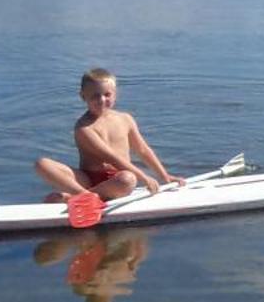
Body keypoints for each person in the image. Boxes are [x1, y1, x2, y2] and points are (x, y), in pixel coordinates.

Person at [34, 66, 178, 205]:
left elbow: (143, 150)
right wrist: (144, 177)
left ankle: (77, 197)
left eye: (107, 94)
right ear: (83, 96)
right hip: (88, 178)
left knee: (128, 179)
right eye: (95, 96)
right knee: (42, 163)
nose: (102, 100)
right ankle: (86, 195)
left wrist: (165, 176)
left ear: (115, 94)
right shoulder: (84, 128)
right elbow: (112, 158)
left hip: (117, 180)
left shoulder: (125, 119)